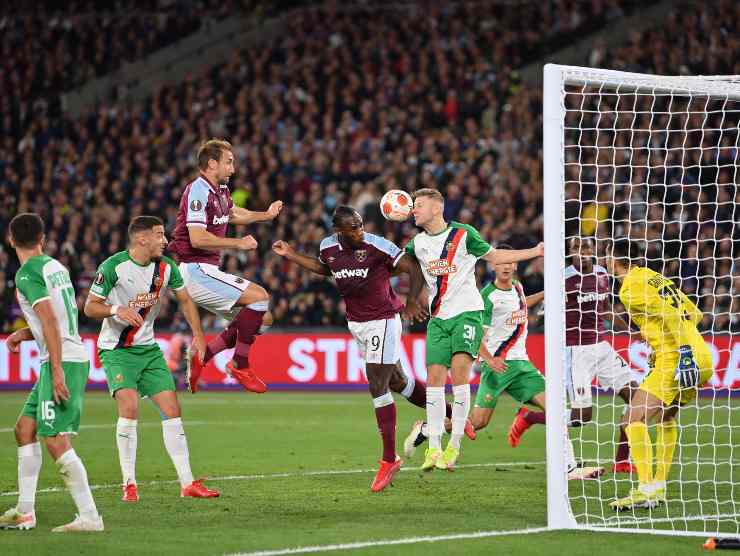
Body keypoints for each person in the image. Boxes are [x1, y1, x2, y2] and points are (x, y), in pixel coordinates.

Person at [272, 206, 473, 492]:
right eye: (353, 228)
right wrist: (291, 255)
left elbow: (412, 267)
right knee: (398, 382)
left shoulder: (376, 245)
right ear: (339, 232)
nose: (359, 231)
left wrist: (413, 300)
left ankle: (389, 459)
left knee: (377, 385)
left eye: (360, 225)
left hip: (383, 320)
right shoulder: (328, 247)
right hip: (357, 324)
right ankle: (451, 414)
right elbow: (325, 268)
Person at [405, 244, 602, 480]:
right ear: (493, 265)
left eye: (509, 262)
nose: (505, 266)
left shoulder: (517, 288)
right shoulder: (487, 298)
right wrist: (489, 359)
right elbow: (477, 333)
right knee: (477, 422)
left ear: (515, 264)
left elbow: (521, 303)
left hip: (522, 367)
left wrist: (547, 293)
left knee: (556, 409)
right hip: (497, 369)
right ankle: (426, 430)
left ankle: (568, 467)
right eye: (501, 263)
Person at [404, 188, 543, 471]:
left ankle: (452, 448)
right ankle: (432, 449)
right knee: (433, 379)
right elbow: (401, 267)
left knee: (459, 379)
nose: (413, 210)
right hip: (438, 319)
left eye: (418, 205)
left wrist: (535, 252)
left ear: (436, 208)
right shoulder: (417, 243)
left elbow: (495, 256)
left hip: (467, 314)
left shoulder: (463, 234)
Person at [84, 216, 219, 502]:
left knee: (172, 409)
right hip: (116, 350)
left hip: (148, 350)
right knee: (129, 407)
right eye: (159, 235)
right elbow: (90, 307)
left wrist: (198, 336)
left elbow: (185, 300)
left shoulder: (167, 268)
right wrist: (115, 310)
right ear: (141, 239)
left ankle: (187, 483)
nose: (165, 240)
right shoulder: (113, 267)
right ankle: (129, 484)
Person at [0, 213, 103, 532]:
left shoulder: (27, 274)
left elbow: (49, 320)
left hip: (63, 361)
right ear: (42, 238)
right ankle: (25, 511)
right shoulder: (56, 267)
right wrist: (22, 334)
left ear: (11, 239)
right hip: (62, 355)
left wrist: (56, 370)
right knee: (25, 429)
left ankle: (90, 517)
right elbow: (54, 317)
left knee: (54, 439)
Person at [168, 138, 283, 394]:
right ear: (211, 164)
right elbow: (197, 238)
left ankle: (202, 357)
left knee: (262, 320)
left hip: (207, 270)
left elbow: (233, 213)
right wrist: (238, 244)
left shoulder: (220, 191)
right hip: (194, 269)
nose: (233, 168)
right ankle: (239, 364)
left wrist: (265, 215)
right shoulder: (198, 190)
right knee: (260, 297)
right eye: (228, 162)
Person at [605, 239, 713, 511]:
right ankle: (659, 487)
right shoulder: (655, 277)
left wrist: (681, 351)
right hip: (702, 355)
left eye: (606, 257)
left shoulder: (629, 288)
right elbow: (694, 313)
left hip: (678, 358)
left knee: (632, 418)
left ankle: (644, 489)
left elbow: (667, 313)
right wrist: (674, 345)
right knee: (667, 416)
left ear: (613, 259)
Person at [565, 236, 638, 473]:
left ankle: (622, 460)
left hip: (602, 348)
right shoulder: (563, 279)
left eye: (587, 247)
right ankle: (530, 418)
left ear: (594, 249)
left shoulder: (601, 273)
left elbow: (605, 309)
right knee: (582, 417)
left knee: (636, 397)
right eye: (577, 248)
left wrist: (631, 330)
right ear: (571, 251)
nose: (583, 251)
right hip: (577, 352)